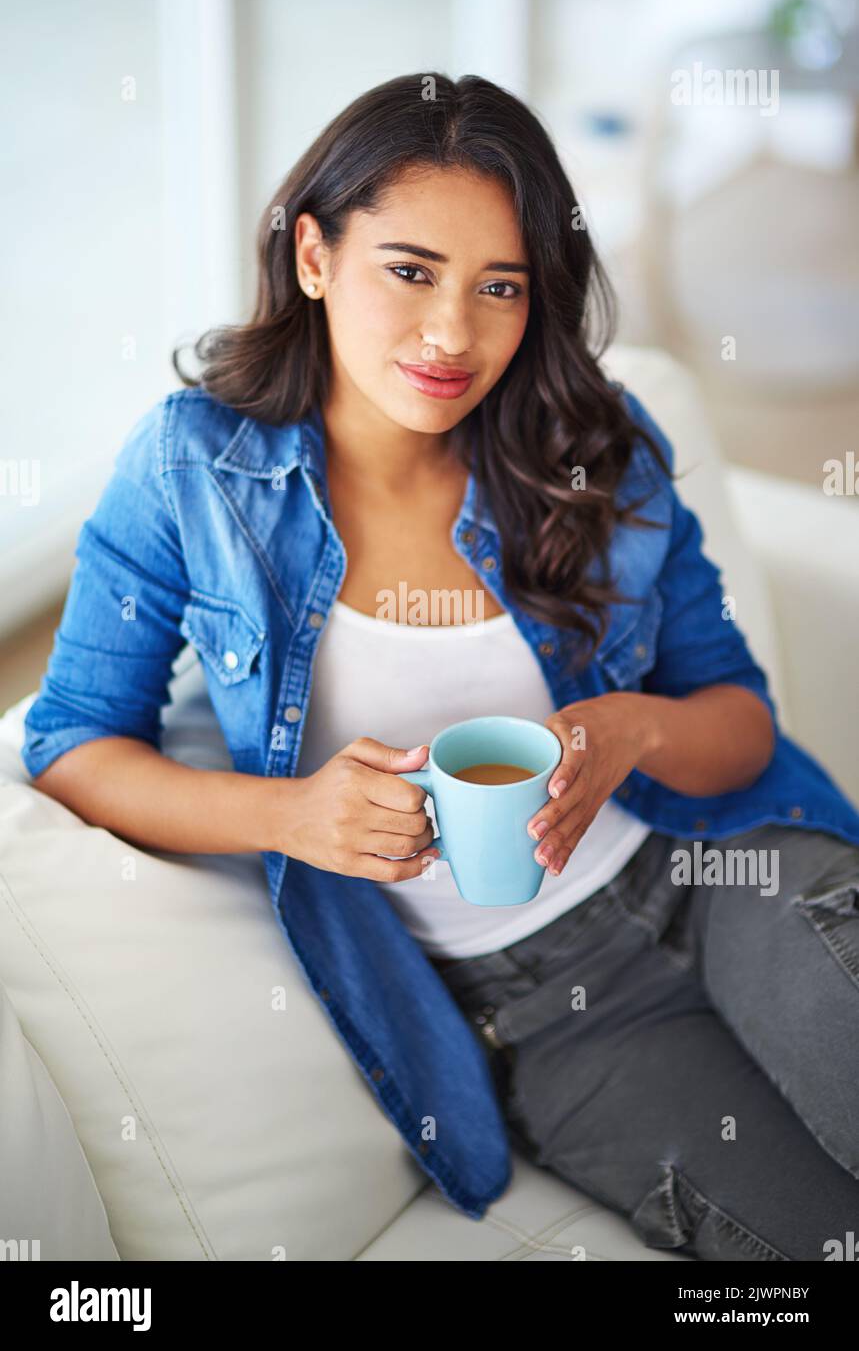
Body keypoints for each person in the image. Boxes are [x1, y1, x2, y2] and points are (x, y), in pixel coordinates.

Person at [22, 73, 859, 1261]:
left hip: (720, 868)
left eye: (500, 287)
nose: (452, 335)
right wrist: (294, 816)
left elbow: (739, 722)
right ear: (313, 254)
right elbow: (72, 743)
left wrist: (631, 730)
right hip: (544, 1014)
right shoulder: (191, 473)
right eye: (409, 270)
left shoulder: (593, 450)